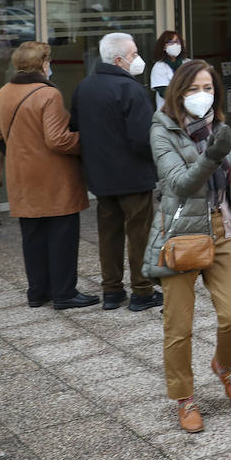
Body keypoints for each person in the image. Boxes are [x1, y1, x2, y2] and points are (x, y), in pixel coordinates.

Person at [143, 59, 231, 433]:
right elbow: (180, 184)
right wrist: (212, 155)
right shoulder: (162, 130)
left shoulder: (221, 128)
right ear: (178, 91)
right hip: (182, 235)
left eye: (209, 88)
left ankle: (223, 365)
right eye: (194, 89)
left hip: (223, 228)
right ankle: (185, 397)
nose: (202, 96)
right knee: (178, 325)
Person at [0, 42, 97, 309]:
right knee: (62, 235)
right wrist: (87, 141)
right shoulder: (48, 94)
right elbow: (58, 140)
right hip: (54, 176)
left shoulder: (4, 92)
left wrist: (17, 150)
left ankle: (37, 292)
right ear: (43, 64)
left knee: (32, 235)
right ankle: (64, 293)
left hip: (21, 175)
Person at [71, 32, 163, 311]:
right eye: (134, 54)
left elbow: (75, 127)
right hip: (133, 175)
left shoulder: (84, 87)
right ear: (120, 60)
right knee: (139, 232)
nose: (138, 58)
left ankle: (112, 290)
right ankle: (142, 291)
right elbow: (142, 137)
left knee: (108, 233)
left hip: (101, 174)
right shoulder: (130, 89)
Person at [150, 30, 188, 109]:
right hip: (168, 112)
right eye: (170, 42)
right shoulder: (159, 67)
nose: (175, 45)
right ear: (163, 47)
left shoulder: (187, 63)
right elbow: (164, 92)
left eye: (177, 42)